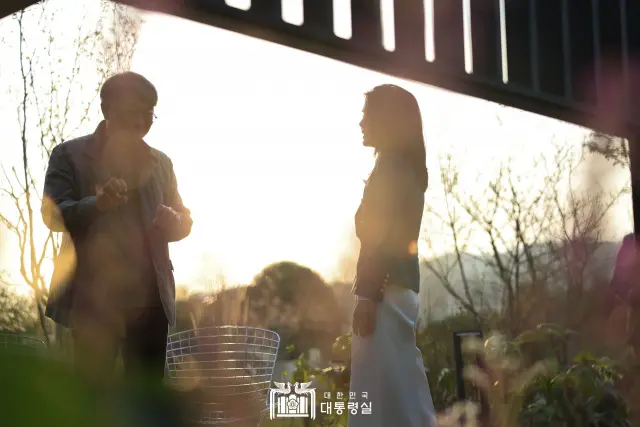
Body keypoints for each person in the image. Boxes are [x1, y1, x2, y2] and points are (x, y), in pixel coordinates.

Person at [41, 72, 192, 387]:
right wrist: (97, 204)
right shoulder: (68, 155)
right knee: (91, 397)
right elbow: (52, 216)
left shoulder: (162, 163)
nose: (139, 122)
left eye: (147, 114)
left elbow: (183, 220)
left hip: (151, 303)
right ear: (106, 109)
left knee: (146, 398)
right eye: (131, 112)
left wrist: (174, 222)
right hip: (94, 303)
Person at [349, 84, 436, 427]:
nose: (361, 123)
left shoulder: (390, 168)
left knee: (379, 396)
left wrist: (368, 296)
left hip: (384, 291)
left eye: (367, 115)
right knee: (400, 390)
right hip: (398, 288)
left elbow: (377, 238)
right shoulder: (404, 167)